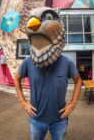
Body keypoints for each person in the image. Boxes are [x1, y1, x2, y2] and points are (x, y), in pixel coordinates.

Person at [14, 7, 82, 140]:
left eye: (48, 18)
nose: (33, 23)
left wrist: (73, 103)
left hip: (59, 120)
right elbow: (17, 79)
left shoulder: (67, 62)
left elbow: (78, 81)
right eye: (31, 20)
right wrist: (23, 102)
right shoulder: (27, 62)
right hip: (36, 120)